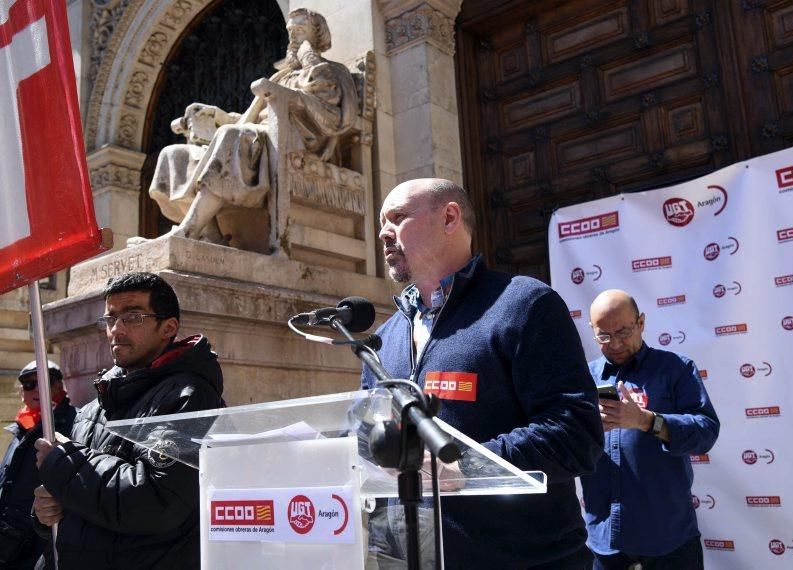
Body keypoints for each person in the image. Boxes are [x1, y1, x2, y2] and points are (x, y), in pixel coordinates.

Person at [361, 178, 604, 568]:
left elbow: (575, 433)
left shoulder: (524, 304)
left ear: (450, 217)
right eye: (381, 222)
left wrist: (462, 467)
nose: (383, 232)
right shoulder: (384, 339)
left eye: (397, 217)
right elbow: (367, 437)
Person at [32, 272, 225, 569]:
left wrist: (65, 464)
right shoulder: (93, 407)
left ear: (168, 327)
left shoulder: (189, 395)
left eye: (132, 317)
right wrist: (48, 512)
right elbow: (81, 502)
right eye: (110, 319)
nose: (116, 330)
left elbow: (157, 501)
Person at [146, 7, 358, 244]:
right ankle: (210, 232)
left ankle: (188, 230)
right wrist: (219, 116)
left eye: (301, 30)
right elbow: (253, 117)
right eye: (290, 31)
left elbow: (334, 114)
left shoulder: (332, 72)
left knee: (233, 136)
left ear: (317, 34)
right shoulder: (280, 76)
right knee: (174, 154)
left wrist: (309, 62)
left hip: (297, 141)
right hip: (261, 135)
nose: (294, 36)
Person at [581, 289, 720, 570]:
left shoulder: (675, 369)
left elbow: (706, 432)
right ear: (592, 331)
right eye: (604, 336)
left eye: (623, 332)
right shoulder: (583, 378)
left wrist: (647, 421)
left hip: (668, 540)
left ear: (641, 323)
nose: (615, 343)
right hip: (605, 542)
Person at [0, 361, 75, 569]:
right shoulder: (21, 426)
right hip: (9, 541)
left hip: (39, 543)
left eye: (43, 382)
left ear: (59, 386)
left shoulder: (71, 423)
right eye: (27, 384)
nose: (35, 389)